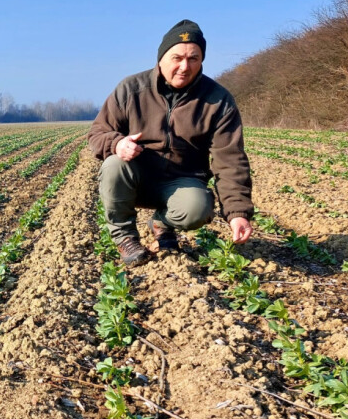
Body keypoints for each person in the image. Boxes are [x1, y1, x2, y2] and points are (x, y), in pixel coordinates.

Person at [86, 19, 254, 266]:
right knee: (114, 165)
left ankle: (162, 223)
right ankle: (125, 238)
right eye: (177, 57)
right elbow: (97, 133)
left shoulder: (218, 100)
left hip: (181, 180)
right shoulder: (130, 89)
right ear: (161, 58)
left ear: (201, 60)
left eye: (193, 58)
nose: (184, 66)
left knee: (197, 208)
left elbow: (230, 159)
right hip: (136, 178)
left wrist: (237, 213)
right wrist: (116, 144)